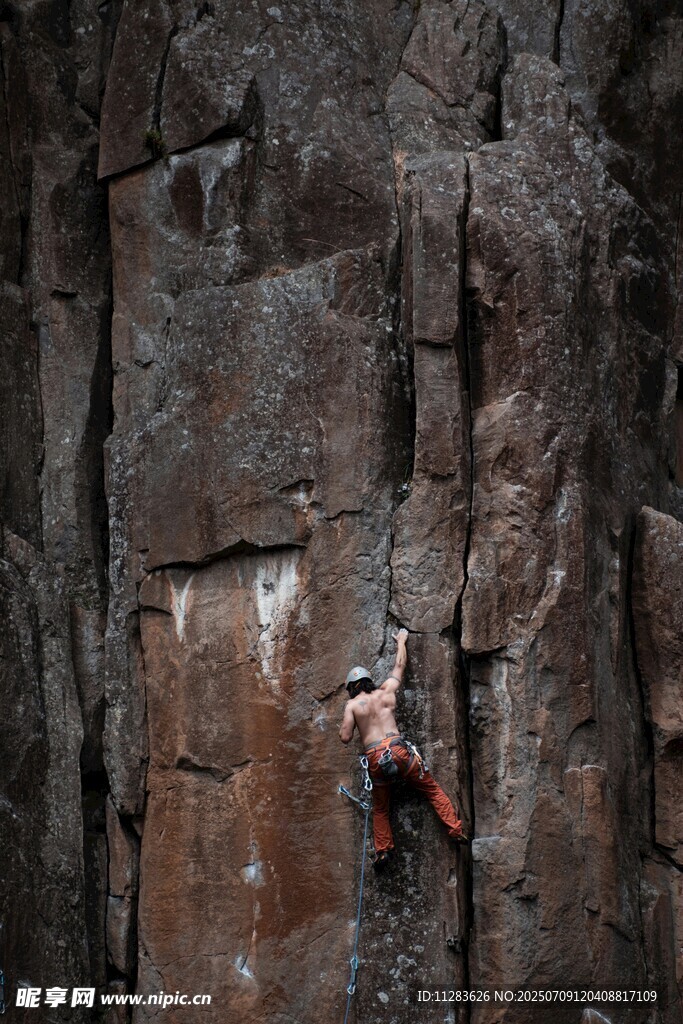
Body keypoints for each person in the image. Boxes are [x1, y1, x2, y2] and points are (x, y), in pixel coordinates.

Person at [339, 628, 468, 867]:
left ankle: (384, 851)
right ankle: (456, 830)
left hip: (376, 758)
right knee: (431, 790)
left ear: (350, 687)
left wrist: (347, 724)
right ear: (369, 681)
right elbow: (399, 666)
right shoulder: (386, 691)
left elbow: (345, 737)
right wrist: (402, 641)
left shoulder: (352, 706)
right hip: (400, 752)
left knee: (380, 808)